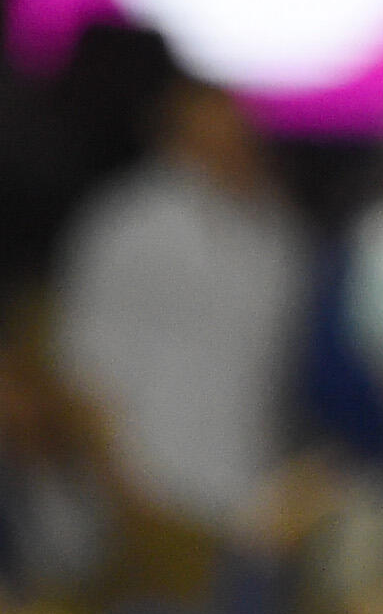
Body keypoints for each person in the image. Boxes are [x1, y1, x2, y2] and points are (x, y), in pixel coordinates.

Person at [57, 80, 309, 538]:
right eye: (215, 118)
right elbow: (85, 370)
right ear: (178, 127)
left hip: (250, 496)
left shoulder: (277, 235)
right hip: (152, 487)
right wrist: (124, 494)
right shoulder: (129, 225)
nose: (233, 131)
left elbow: (275, 372)